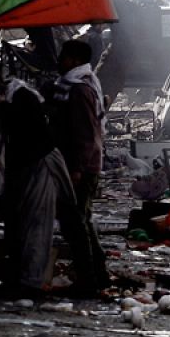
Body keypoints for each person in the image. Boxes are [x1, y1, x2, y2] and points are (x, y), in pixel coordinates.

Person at [0, 78, 80, 294]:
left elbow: (24, 141)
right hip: (28, 170)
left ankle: (31, 281)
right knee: (24, 226)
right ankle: (23, 276)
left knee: (37, 226)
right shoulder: (14, 102)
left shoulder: (20, 103)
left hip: (39, 168)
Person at [45, 40, 110, 295]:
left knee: (74, 222)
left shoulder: (79, 89)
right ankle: (98, 274)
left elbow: (85, 133)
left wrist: (77, 169)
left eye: (63, 56)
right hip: (80, 164)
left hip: (80, 167)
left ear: (73, 59)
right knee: (80, 220)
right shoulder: (76, 85)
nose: (59, 60)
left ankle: (88, 279)